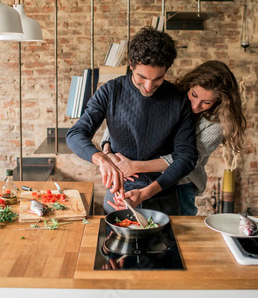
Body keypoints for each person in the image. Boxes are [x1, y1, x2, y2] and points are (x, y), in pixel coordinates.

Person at [66, 27, 198, 215]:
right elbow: (75, 134)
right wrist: (102, 159)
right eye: (141, 77)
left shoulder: (178, 100)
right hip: (119, 195)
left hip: (163, 194)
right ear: (131, 64)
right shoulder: (110, 91)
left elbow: (186, 157)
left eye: (158, 78)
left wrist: (146, 193)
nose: (149, 86)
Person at [101, 60, 246, 215]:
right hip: (143, 177)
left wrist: (135, 166)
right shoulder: (171, 97)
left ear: (219, 101)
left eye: (206, 102)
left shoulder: (215, 126)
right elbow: (124, 119)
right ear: (189, 85)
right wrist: (107, 151)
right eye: (194, 95)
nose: (196, 105)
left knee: (177, 233)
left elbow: (183, 160)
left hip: (181, 185)